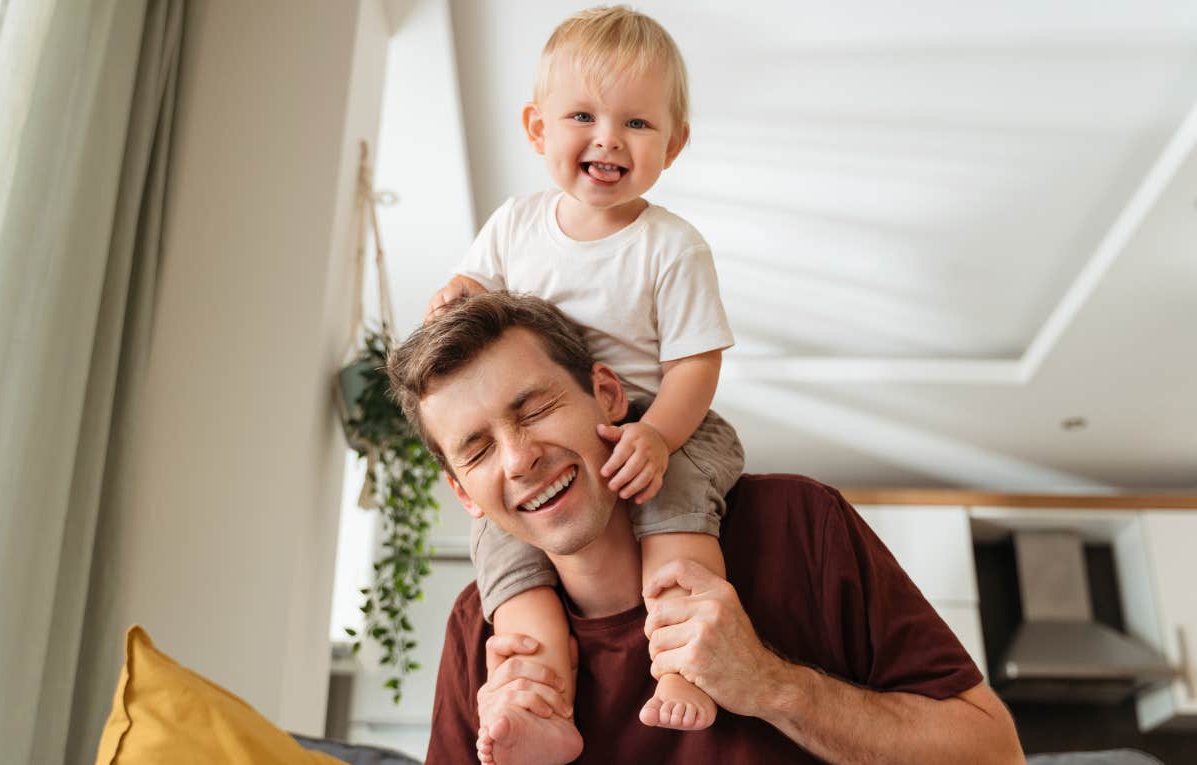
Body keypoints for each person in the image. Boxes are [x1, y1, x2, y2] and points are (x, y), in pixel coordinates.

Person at [387, 292, 1025, 764]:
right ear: (462, 493)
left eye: (537, 409)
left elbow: (994, 754)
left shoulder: (798, 524)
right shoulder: (480, 629)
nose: (519, 458)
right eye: (476, 451)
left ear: (608, 396)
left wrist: (770, 685)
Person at [424, 6, 740, 738]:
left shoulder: (671, 246)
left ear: (674, 143)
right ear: (538, 130)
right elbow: (474, 284)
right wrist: (457, 295)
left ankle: (684, 659)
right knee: (504, 547)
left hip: (664, 417)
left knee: (677, 508)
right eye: (582, 116)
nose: (608, 138)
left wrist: (656, 436)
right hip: (571, 421)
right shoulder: (516, 222)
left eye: (637, 123)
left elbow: (696, 363)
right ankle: (539, 695)